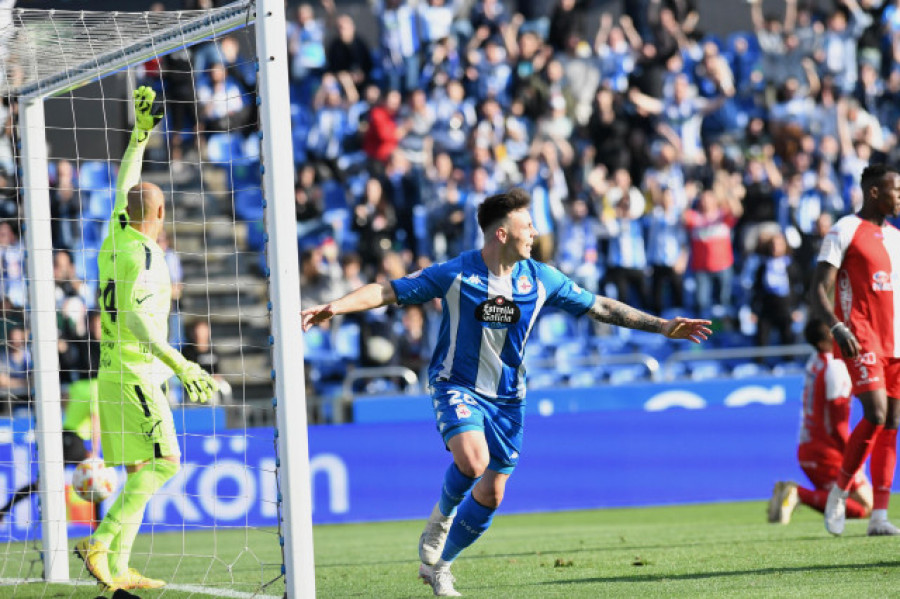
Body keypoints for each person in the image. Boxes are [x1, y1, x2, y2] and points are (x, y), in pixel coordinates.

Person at [301, 188, 712, 596]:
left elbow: (599, 307)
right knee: (473, 460)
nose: (534, 232)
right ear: (502, 233)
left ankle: (440, 567)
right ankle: (441, 517)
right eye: (527, 225)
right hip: (456, 385)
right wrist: (336, 306)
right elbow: (388, 291)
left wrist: (660, 326)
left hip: (509, 399)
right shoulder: (457, 273)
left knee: (493, 494)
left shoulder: (540, 278)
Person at [74, 87, 218, 591]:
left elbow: (124, 185)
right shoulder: (148, 257)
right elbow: (138, 321)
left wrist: (140, 134)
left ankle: (117, 568)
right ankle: (101, 541)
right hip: (136, 369)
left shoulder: (116, 236)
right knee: (166, 464)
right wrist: (181, 364)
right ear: (159, 215)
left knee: (140, 466)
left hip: (110, 370)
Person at [810, 164, 900, 537]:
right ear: (875, 192)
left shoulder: (896, 237)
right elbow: (817, 289)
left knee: (892, 422)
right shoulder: (844, 230)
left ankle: (879, 515)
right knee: (875, 413)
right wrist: (836, 325)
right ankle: (839, 491)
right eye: (897, 190)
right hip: (860, 337)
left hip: (895, 340)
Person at [768, 318, 873, 525]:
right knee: (863, 507)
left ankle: (795, 494)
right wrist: (853, 458)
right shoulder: (835, 368)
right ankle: (798, 493)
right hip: (828, 452)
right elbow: (837, 424)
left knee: (859, 502)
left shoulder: (815, 361)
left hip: (808, 448)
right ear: (826, 342)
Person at [0, 375, 101, 524]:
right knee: (96, 480)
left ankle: (5, 509)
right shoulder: (96, 388)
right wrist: (95, 450)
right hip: (76, 440)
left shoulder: (77, 385)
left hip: (64, 435)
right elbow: (95, 419)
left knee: (43, 483)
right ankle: (98, 524)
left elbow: (65, 402)